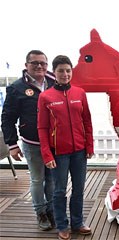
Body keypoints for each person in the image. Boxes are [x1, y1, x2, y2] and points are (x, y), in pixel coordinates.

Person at [37, 55, 94, 240]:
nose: (65, 74)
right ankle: (62, 225)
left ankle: (77, 222)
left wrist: (89, 145)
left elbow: (87, 120)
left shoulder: (80, 93)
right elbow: (42, 127)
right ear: (54, 72)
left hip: (79, 152)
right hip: (58, 153)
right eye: (61, 70)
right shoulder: (45, 97)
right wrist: (47, 154)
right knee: (59, 191)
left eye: (68, 70)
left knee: (79, 189)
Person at [1, 50, 55, 230]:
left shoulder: (55, 82)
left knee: (52, 179)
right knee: (38, 180)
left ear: (47, 65)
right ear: (26, 65)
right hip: (33, 143)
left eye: (43, 63)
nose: (39, 66)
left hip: (54, 143)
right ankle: (40, 212)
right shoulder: (16, 88)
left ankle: (51, 209)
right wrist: (12, 145)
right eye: (35, 63)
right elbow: (7, 118)